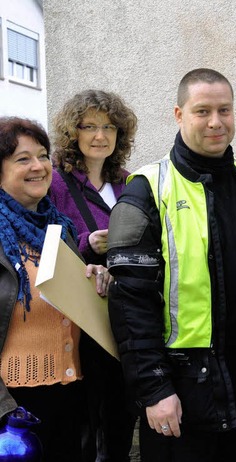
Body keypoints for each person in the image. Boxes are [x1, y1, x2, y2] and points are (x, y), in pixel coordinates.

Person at [106, 68, 236, 462]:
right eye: (202, 111)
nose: (216, 122)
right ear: (178, 114)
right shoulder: (146, 190)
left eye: (225, 110)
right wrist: (154, 391)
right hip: (184, 387)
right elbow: (129, 304)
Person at [0, 117, 111, 460]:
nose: (38, 166)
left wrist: (94, 279)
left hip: (71, 394)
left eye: (43, 155)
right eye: (23, 159)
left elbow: (69, 305)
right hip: (14, 409)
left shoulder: (58, 229)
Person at [48, 90, 138, 461]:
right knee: (86, 423)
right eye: (89, 126)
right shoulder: (55, 182)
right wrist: (88, 244)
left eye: (109, 127)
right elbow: (44, 242)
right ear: (73, 133)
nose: (100, 135)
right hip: (79, 321)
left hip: (123, 315)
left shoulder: (131, 183)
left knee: (120, 415)